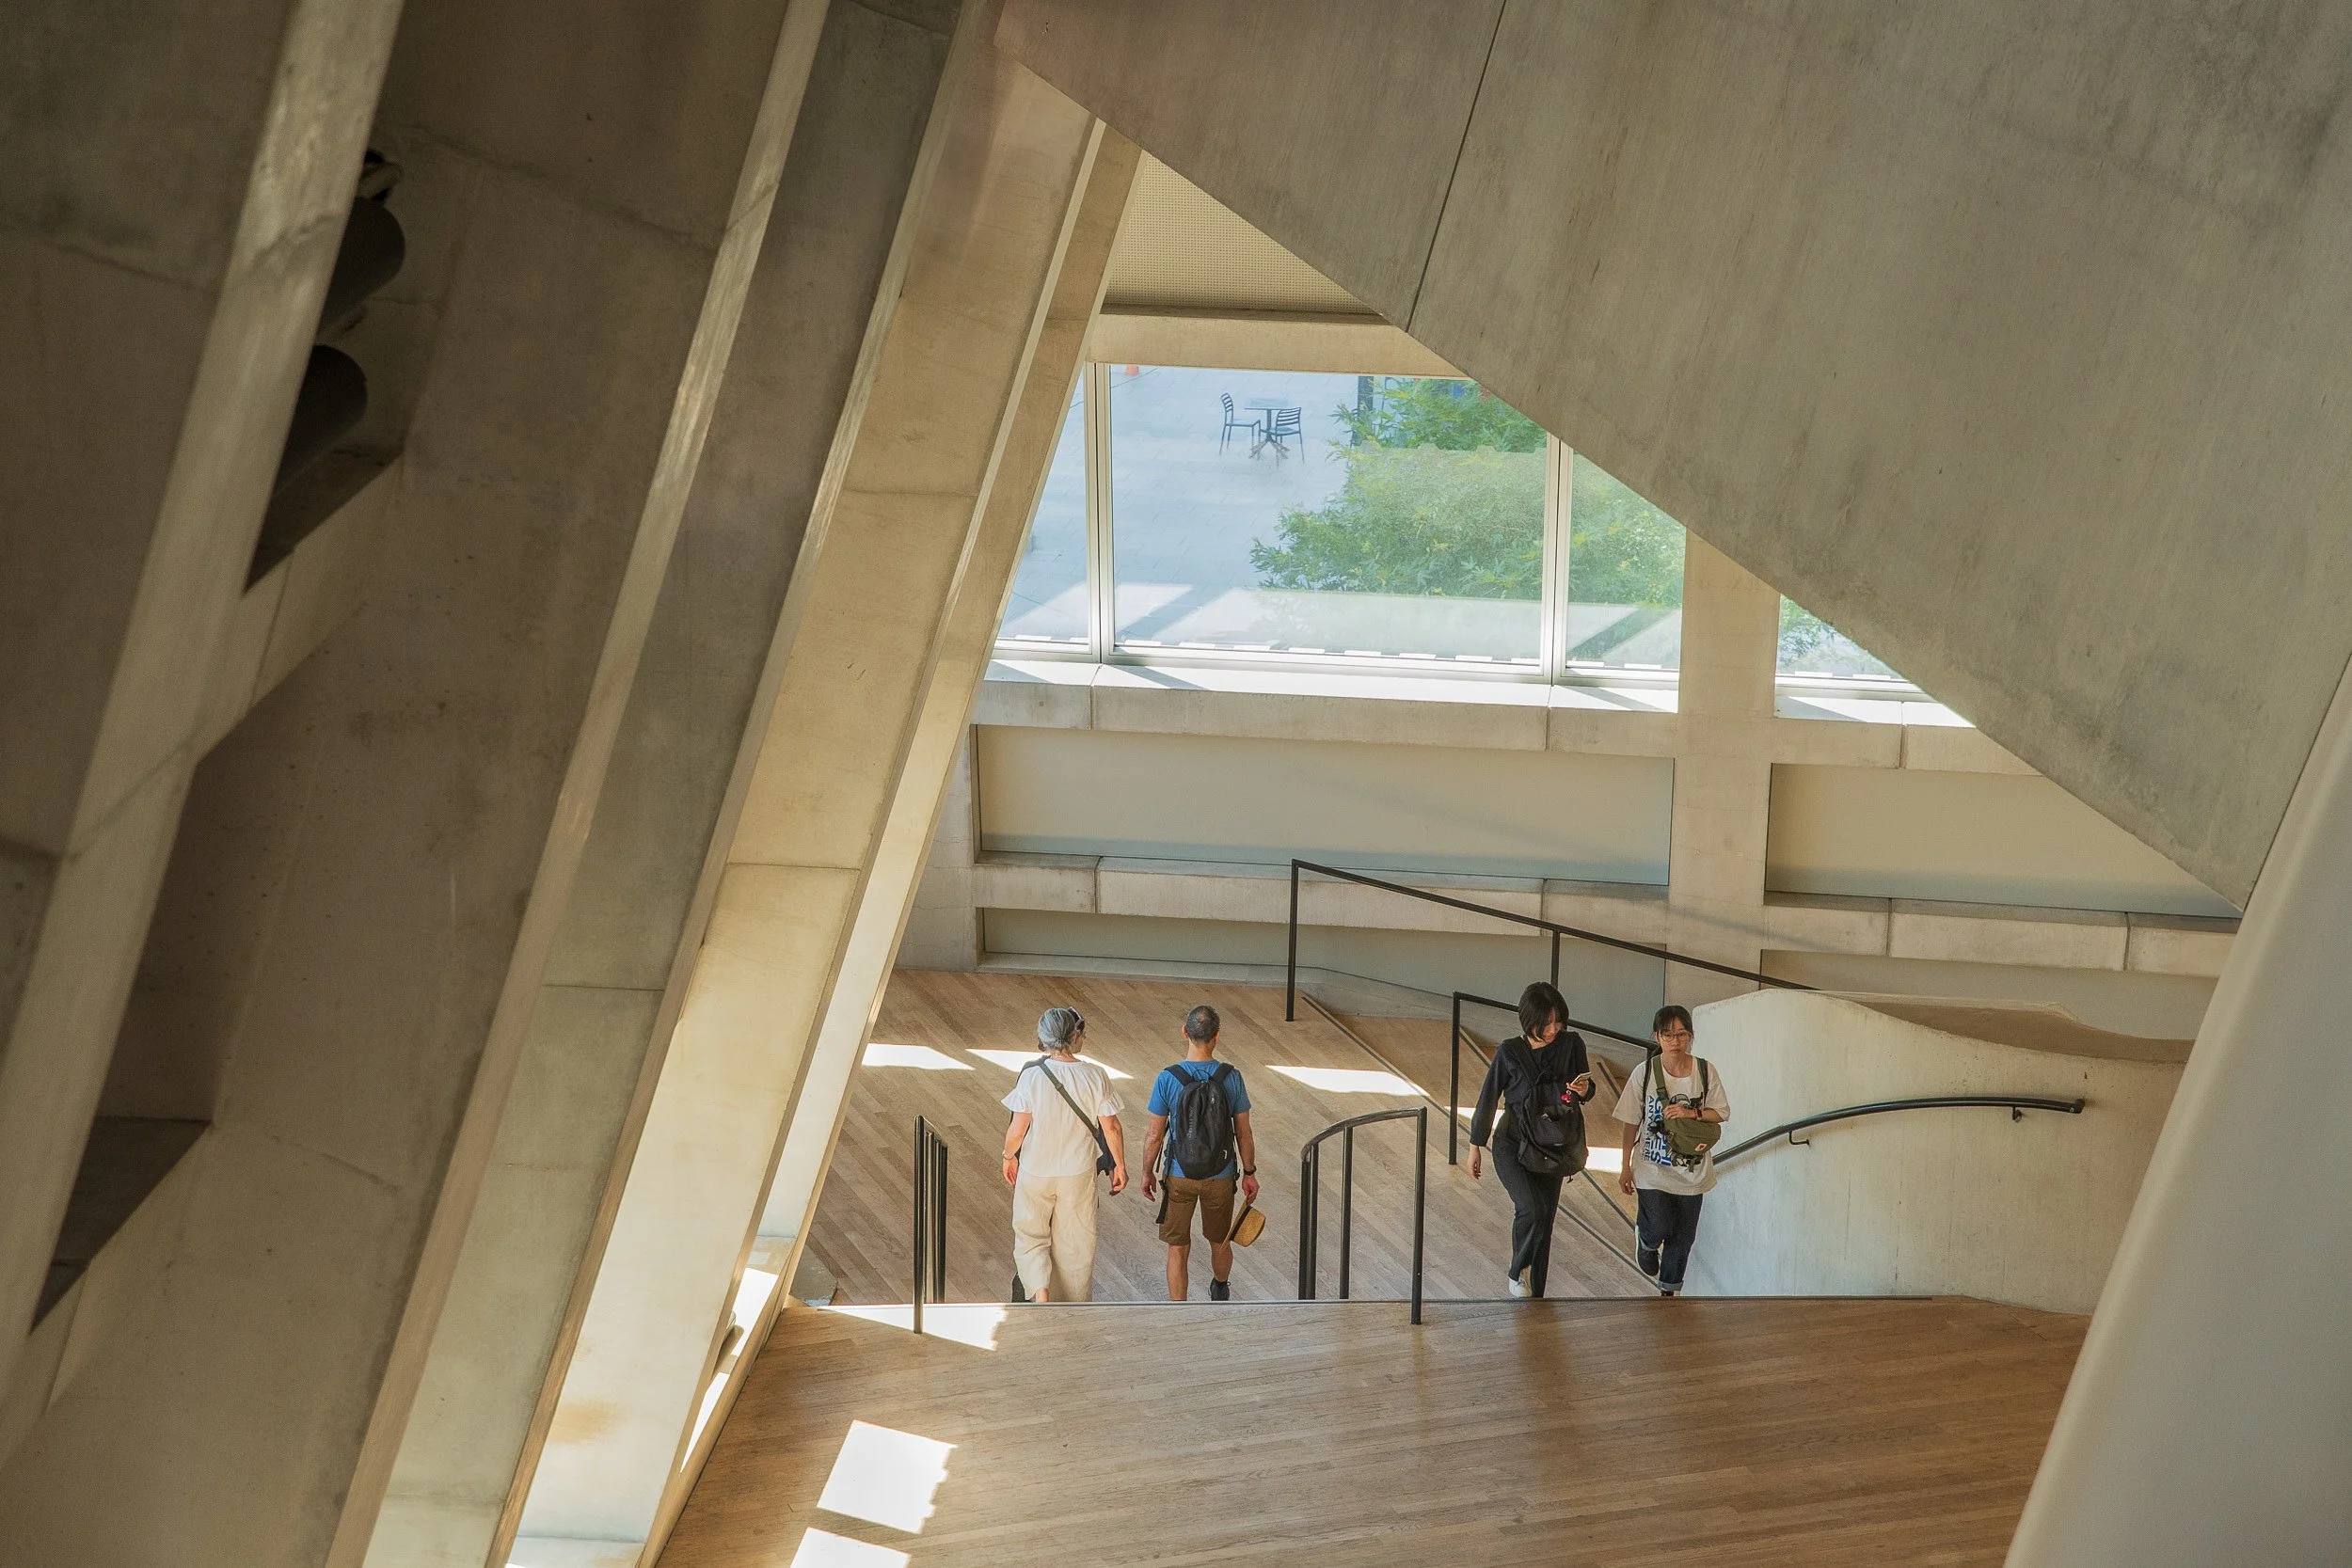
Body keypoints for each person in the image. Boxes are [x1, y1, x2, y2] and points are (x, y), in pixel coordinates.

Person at [1467, 980, 1596, 1298]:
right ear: (1528, 1020)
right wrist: (1475, 1146)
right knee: (1531, 1209)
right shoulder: (1509, 1051)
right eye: (1545, 1022)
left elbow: (1587, 1089)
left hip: (1552, 1145)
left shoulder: (1571, 1045)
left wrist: (1584, 1091)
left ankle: (1535, 1295)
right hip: (1513, 1143)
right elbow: (1488, 1098)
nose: (1553, 1029)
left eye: (1558, 1021)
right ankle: (1516, 1271)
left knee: (1545, 1222)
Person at [1001, 1006, 1126, 1303]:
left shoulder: (1032, 1077)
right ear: (1075, 1035)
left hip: (1035, 1169)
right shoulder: (1096, 1076)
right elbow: (1112, 1127)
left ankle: (1040, 1293)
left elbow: (1018, 1129)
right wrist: (1119, 1164)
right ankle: (1073, 1307)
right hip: (1078, 1172)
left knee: (1030, 1237)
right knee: (1076, 1243)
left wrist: (1009, 1156)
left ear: (1042, 1039)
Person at [1140, 1004, 1258, 1301]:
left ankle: (1179, 1309)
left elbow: (1154, 1135)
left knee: (1177, 1247)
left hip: (1179, 1175)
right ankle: (1220, 1288)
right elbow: (1243, 1131)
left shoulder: (1168, 1078)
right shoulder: (1231, 1077)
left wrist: (1147, 1172)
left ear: (1185, 1033)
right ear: (1217, 1036)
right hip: (1220, 1176)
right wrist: (1249, 1172)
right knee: (1220, 1240)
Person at [1613, 1004, 1730, 1297]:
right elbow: (1630, 1122)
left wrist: (1691, 1114)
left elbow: (1722, 1113)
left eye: (1682, 1034)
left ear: (1690, 1036)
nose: (1676, 1041)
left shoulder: (1705, 1070)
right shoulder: (1644, 1074)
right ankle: (1647, 1240)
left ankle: (1669, 1296)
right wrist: (1625, 1165)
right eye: (1668, 1035)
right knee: (1660, 1224)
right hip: (1652, 1168)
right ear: (1657, 1037)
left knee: (1683, 1238)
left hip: (1693, 1171)